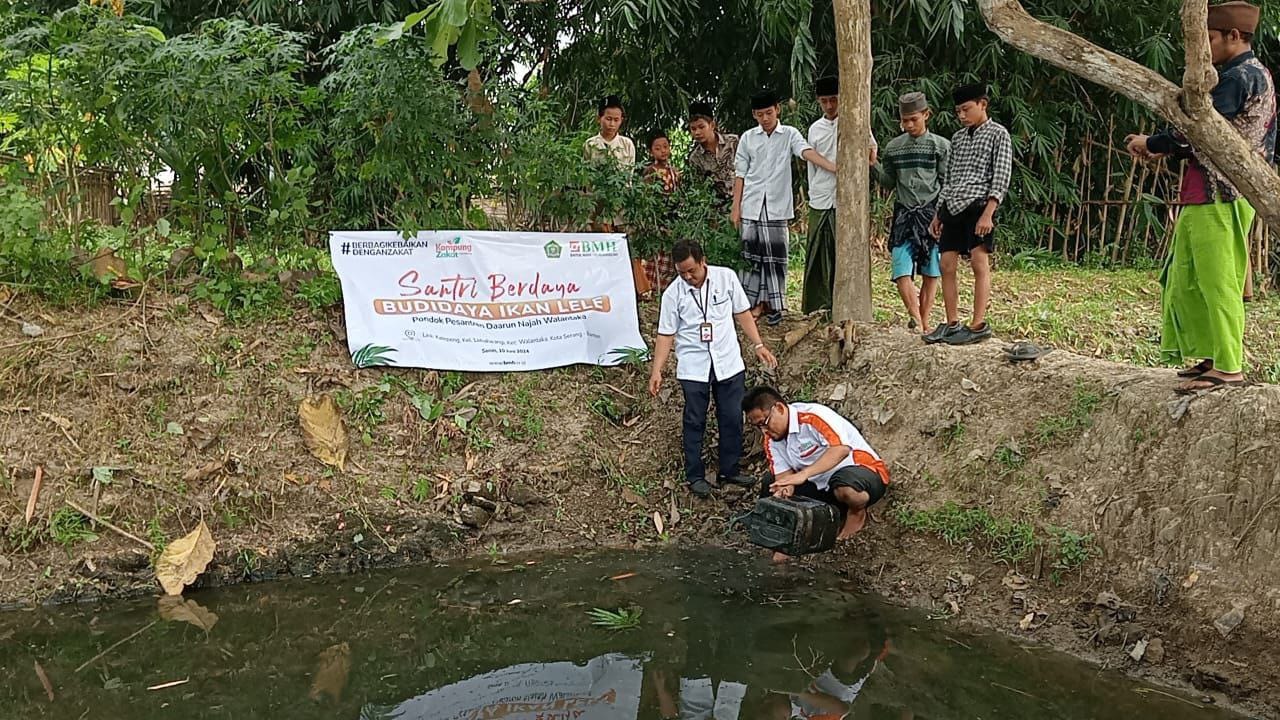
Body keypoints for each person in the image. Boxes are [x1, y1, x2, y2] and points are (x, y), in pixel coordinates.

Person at [1124, 1, 1275, 394]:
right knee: (1187, 277)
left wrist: (1152, 143)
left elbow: (1198, 130)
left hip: (1222, 195)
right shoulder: (1249, 75)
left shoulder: (1239, 77)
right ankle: (1211, 356)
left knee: (1217, 280)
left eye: (1209, 38)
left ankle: (1228, 366)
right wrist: (1162, 146)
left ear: (1234, 36)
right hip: (1208, 192)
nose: (1203, 48)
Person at [650, 240, 779, 498]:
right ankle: (695, 475)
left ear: (703, 261)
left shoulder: (726, 278)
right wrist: (657, 370)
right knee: (694, 420)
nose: (688, 277)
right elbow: (666, 334)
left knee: (731, 416)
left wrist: (758, 344)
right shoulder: (673, 294)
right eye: (682, 273)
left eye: (692, 270)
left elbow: (742, 313)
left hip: (727, 361)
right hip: (693, 366)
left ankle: (729, 470)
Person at [741, 386, 889, 556]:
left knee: (846, 487)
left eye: (764, 423)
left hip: (860, 472)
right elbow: (784, 476)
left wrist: (803, 474)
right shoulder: (771, 440)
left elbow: (840, 449)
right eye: (758, 427)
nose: (764, 431)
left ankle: (857, 512)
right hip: (821, 486)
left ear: (779, 408)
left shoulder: (814, 416)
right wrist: (785, 488)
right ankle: (787, 537)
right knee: (770, 482)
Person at [734, 90, 837, 325]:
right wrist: (736, 207)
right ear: (754, 115)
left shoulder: (789, 134)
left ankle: (775, 305)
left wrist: (832, 167)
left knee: (776, 255)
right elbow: (740, 173)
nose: (765, 118)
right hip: (751, 203)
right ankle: (753, 304)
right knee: (752, 255)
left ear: (777, 110)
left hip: (777, 205)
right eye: (760, 114)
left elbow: (805, 152)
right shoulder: (748, 137)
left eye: (769, 113)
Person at [925, 83, 1012, 346]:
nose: (962, 115)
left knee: (978, 262)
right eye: (958, 111)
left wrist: (989, 213)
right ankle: (952, 323)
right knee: (946, 264)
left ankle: (977, 323)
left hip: (978, 204)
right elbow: (949, 178)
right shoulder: (958, 138)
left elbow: (1001, 175)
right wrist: (938, 213)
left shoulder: (998, 134)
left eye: (966, 109)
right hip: (953, 205)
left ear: (982, 104)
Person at [875, 92, 951, 331]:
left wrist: (943, 215)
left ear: (926, 115)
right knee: (900, 267)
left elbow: (947, 183)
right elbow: (888, 181)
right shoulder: (893, 148)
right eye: (904, 120)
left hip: (932, 215)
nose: (909, 125)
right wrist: (872, 164)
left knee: (931, 271)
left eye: (913, 119)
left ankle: (924, 323)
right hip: (904, 215)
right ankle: (916, 318)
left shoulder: (941, 146)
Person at [803, 75, 878, 314]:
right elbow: (811, 165)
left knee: (844, 253)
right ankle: (818, 307)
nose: (829, 105)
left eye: (833, 100)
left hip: (847, 199)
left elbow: (871, 155)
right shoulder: (815, 129)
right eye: (824, 101)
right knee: (818, 253)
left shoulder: (855, 121)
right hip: (820, 196)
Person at [642, 132, 682, 293]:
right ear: (651, 152)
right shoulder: (650, 171)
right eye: (658, 148)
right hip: (657, 219)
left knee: (669, 254)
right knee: (656, 255)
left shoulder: (674, 171)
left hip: (673, 219)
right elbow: (647, 197)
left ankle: (666, 288)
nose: (663, 151)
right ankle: (652, 288)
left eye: (665, 147)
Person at [686, 101, 739, 207]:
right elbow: (701, 189)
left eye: (701, 127)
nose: (697, 132)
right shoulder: (695, 158)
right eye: (693, 129)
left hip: (744, 199)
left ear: (712, 125)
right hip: (720, 208)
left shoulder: (733, 142)